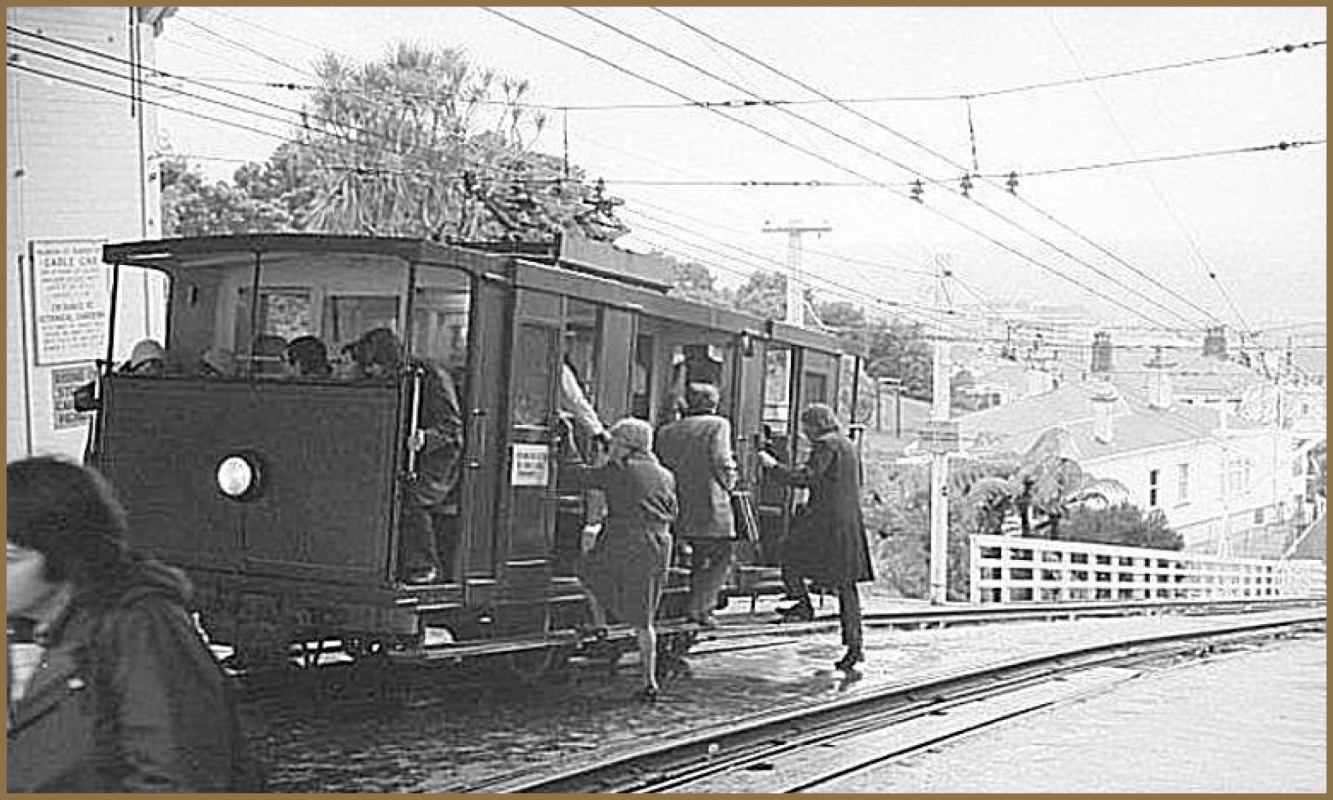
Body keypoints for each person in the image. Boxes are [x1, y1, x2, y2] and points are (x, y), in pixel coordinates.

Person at [6, 456, 263, 792]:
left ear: (63, 552)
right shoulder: (56, 631)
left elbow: (178, 773)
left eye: (11, 557)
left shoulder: (139, 625)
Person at [758, 403, 874, 671]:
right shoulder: (847, 445)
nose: (804, 433)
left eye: (805, 427)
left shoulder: (825, 445)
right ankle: (854, 646)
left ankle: (802, 604)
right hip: (847, 522)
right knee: (847, 587)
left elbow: (808, 477)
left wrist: (773, 466)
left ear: (814, 425)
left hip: (826, 522)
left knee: (788, 553)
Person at [575, 418, 678, 702]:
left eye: (616, 441)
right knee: (645, 619)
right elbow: (674, 510)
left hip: (628, 540)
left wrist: (568, 439)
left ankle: (600, 627)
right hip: (660, 543)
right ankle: (649, 681)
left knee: (587, 571)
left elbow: (580, 476)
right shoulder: (665, 474)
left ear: (626, 444)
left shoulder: (620, 469)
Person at [355, 327, 464, 585]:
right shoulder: (392, 376)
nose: (373, 373)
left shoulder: (431, 375)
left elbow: (452, 429)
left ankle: (424, 566)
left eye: (376, 366)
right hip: (400, 457)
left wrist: (425, 438)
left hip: (437, 461)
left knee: (408, 497)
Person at [654, 382, 738, 628]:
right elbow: (722, 460)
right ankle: (701, 608)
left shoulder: (667, 430)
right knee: (720, 554)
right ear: (712, 404)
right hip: (709, 503)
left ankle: (671, 602)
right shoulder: (718, 425)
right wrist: (730, 482)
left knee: (688, 553)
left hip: (675, 501)